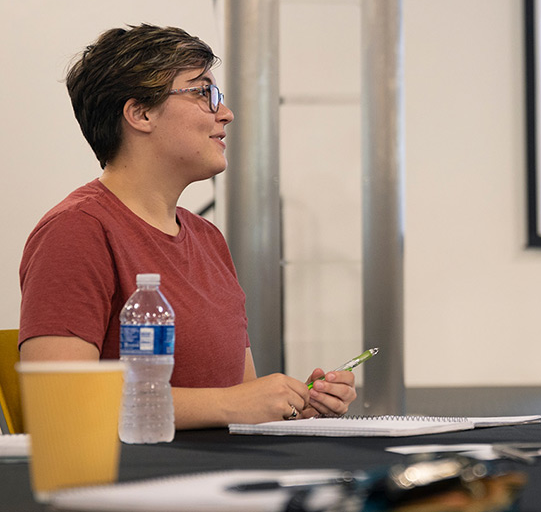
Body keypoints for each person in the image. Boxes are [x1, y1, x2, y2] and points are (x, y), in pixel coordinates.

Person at [19, 24, 357, 429]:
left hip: (222, 475)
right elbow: (61, 402)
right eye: (202, 92)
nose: (226, 114)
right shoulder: (77, 230)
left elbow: (236, 400)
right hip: (140, 481)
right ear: (141, 113)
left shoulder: (207, 238)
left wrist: (294, 407)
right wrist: (233, 404)